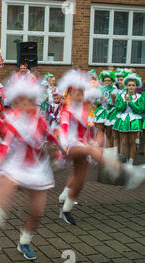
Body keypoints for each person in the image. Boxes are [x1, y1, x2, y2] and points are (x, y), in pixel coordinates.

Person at [0, 76, 63, 261]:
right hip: (15, 165)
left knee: (37, 213)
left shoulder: (40, 121)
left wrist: (59, 149)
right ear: (16, 101)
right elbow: (1, 146)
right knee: (6, 184)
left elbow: (50, 137)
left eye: (29, 100)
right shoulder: (10, 120)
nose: (26, 104)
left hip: (37, 169)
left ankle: (24, 241)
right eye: (21, 100)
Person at [57, 70, 144, 225]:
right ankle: (127, 171)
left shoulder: (85, 110)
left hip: (82, 145)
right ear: (70, 93)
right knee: (91, 151)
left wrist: (96, 139)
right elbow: (63, 129)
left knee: (80, 181)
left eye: (81, 93)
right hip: (68, 146)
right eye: (76, 93)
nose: (79, 96)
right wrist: (64, 144)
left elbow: (92, 130)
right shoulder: (67, 109)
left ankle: (65, 211)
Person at [112, 73, 144, 164]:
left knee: (132, 141)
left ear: (136, 87)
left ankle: (131, 160)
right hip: (122, 120)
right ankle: (125, 160)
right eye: (129, 85)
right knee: (124, 141)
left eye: (133, 85)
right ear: (126, 86)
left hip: (134, 120)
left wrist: (131, 103)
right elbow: (118, 109)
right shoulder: (122, 96)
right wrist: (124, 102)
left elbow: (140, 110)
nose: (131, 87)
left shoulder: (139, 97)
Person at [93, 70, 116, 148]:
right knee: (100, 133)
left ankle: (108, 154)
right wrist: (99, 100)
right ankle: (99, 152)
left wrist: (110, 100)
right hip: (101, 112)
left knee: (109, 135)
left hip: (111, 113)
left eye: (109, 80)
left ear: (112, 81)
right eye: (105, 80)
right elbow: (96, 102)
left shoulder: (114, 89)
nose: (107, 82)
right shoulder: (100, 89)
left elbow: (115, 104)